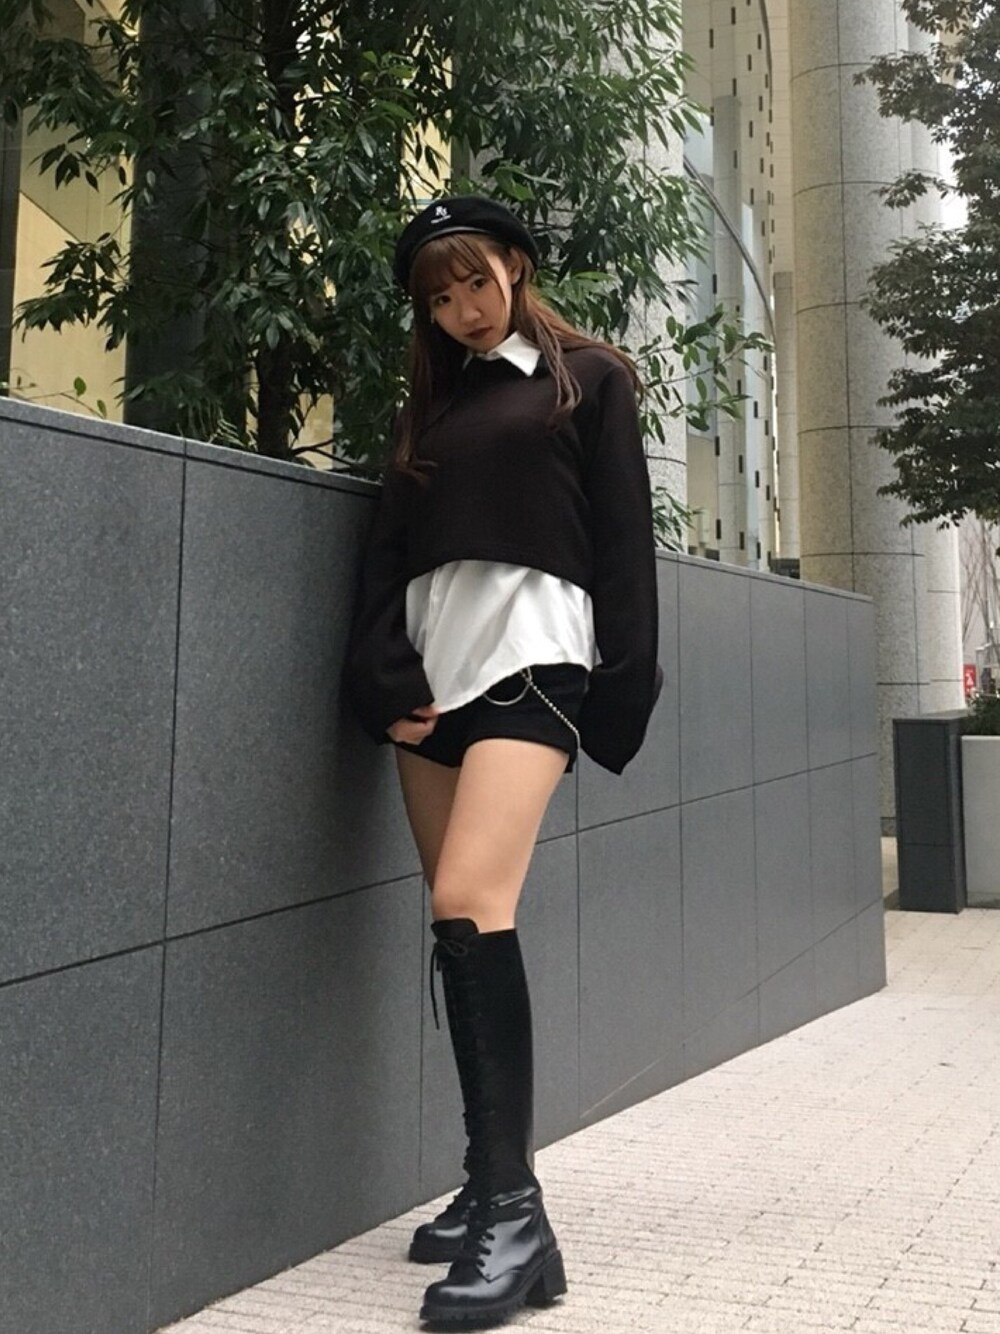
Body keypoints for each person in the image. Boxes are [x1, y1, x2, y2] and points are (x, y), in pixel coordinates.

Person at [343, 195, 662, 1326]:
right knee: (457, 920)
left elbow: (624, 542)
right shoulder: (430, 407)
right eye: (439, 297)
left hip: (533, 668)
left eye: (475, 280)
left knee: (470, 902)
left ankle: (517, 1217)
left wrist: (618, 691)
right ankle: (488, 1183)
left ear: (517, 267)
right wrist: (382, 683)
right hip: (434, 679)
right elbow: (387, 552)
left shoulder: (589, 379)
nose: (463, 309)